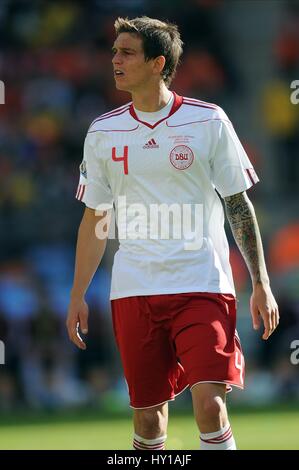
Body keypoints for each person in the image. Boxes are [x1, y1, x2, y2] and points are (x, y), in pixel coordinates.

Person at [67, 16, 279, 451]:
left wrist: (261, 282)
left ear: (157, 62)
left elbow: (238, 204)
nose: (115, 60)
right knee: (147, 419)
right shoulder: (103, 131)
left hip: (202, 282)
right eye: (114, 52)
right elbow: (97, 217)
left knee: (210, 406)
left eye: (127, 53)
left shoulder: (208, 121)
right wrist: (77, 294)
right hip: (134, 288)